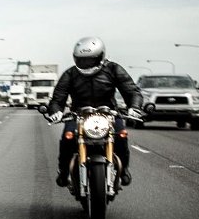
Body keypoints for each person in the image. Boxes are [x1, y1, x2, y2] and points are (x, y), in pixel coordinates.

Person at [46, 37, 143, 187]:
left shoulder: (113, 69)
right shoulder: (70, 74)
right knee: (68, 137)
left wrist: (134, 107)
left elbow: (131, 91)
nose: (86, 63)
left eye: (90, 60)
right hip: (78, 114)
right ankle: (64, 171)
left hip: (109, 113)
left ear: (101, 56)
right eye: (82, 60)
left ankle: (124, 169)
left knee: (121, 135)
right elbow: (58, 98)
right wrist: (56, 111)